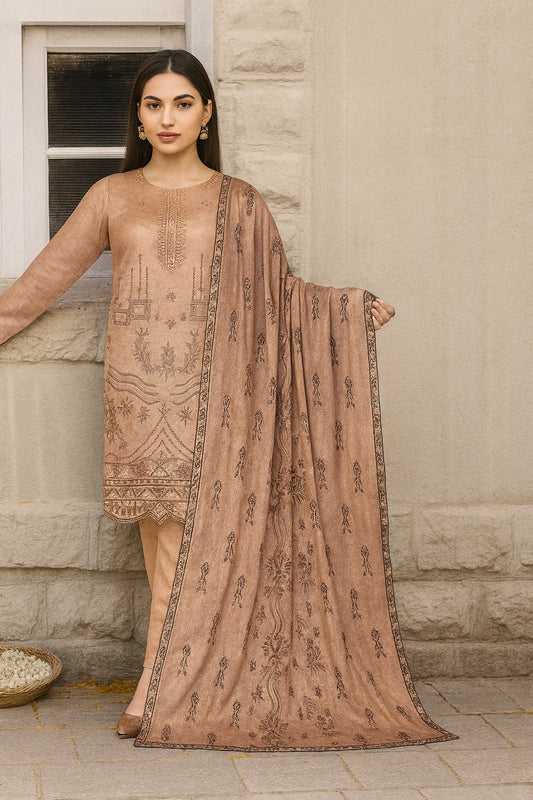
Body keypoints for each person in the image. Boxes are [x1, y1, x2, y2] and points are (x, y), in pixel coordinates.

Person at [0, 50, 455, 751]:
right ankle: (167, 683)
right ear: (140, 119)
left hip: (220, 396)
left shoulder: (239, 202)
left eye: (182, 103)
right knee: (162, 544)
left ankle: (159, 691)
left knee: (194, 546)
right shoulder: (111, 196)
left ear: (207, 115)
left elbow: (277, 295)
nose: (167, 117)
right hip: (135, 394)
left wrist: (345, 311)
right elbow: (44, 279)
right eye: (154, 105)